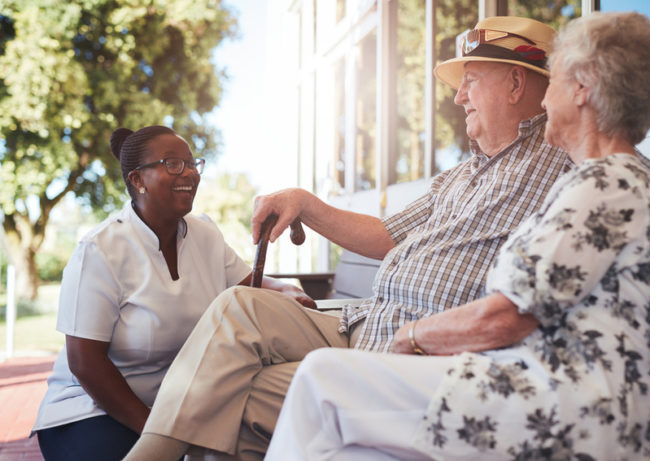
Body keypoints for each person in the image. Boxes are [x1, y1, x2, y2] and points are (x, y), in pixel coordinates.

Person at [125, 16, 573, 461]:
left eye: (470, 80)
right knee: (237, 307)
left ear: (516, 83)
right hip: (362, 323)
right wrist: (304, 202)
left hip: (413, 352)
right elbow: (387, 235)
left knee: (232, 392)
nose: (458, 97)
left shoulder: (564, 166)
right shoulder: (460, 175)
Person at [265, 11, 650, 460]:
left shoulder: (603, 182)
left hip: (567, 405)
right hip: (560, 392)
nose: (545, 101)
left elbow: (507, 316)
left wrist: (411, 337)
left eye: (556, 82)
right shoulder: (613, 180)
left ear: (582, 89)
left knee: (322, 377)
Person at [31, 125, 314, 461]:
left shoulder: (205, 234)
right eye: (174, 164)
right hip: (91, 408)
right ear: (137, 180)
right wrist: (159, 435)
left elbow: (245, 284)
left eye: (193, 164)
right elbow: (84, 362)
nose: (191, 173)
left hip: (177, 407)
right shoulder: (100, 250)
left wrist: (284, 289)